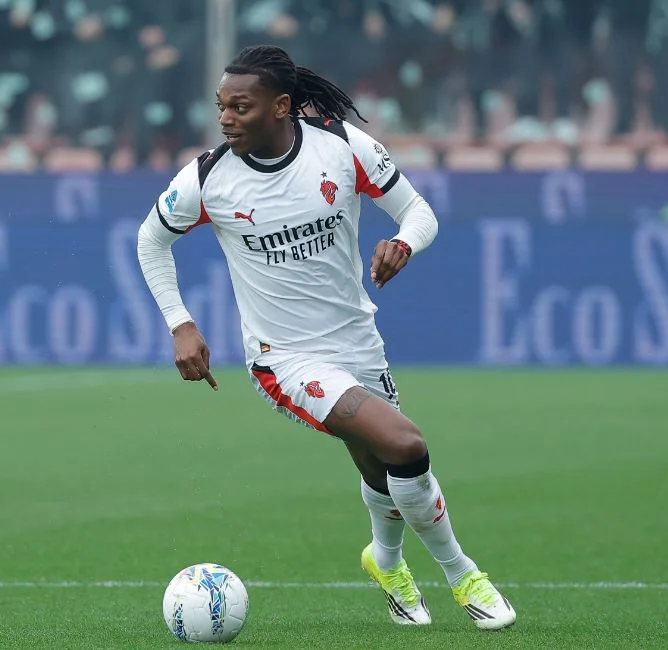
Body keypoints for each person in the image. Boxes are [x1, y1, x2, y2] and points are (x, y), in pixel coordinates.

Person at [137, 45, 516, 631]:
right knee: (406, 444)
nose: (227, 118)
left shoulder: (340, 147)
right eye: (221, 107)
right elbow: (150, 240)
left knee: (379, 467)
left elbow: (419, 212)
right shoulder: (210, 178)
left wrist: (404, 244)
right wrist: (180, 322)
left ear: (281, 106)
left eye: (241, 106)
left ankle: (386, 563)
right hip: (282, 360)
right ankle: (463, 574)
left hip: (358, 342)